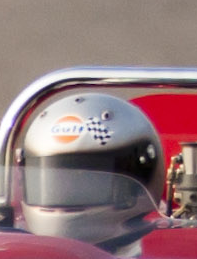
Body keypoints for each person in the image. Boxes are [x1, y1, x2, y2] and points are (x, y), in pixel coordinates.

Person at [12, 90, 168, 247]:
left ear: (142, 174)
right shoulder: (18, 248)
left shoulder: (166, 251)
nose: (68, 189)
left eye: (83, 179)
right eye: (56, 180)